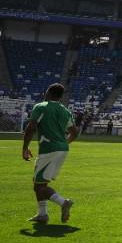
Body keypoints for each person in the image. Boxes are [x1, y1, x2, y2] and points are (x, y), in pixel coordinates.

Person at [22, 83, 77, 225]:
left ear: (48, 92)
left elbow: (31, 127)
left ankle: (63, 202)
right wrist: (63, 144)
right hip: (62, 148)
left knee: (39, 186)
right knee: (40, 184)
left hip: (49, 149)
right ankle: (42, 215)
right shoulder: (65, 111)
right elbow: (74, 132)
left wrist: (25, 148)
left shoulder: (41, 106)